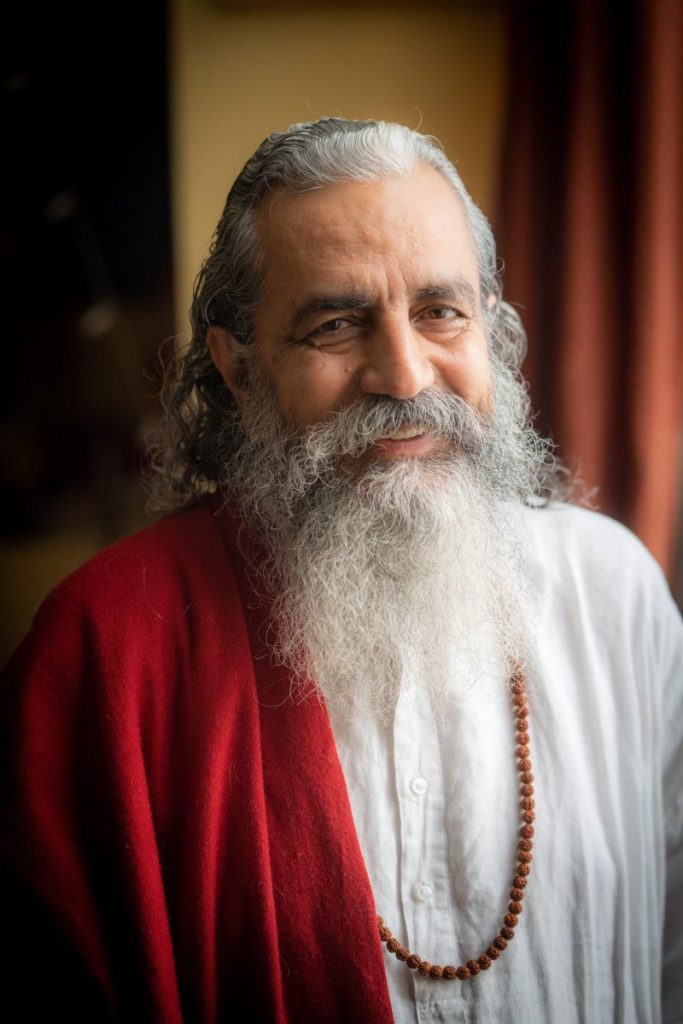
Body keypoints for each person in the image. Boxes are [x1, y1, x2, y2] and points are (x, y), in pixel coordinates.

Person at [1, 117, 681, 1024]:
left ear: (493, 331)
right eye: (336, 323)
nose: (403, 375)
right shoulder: (105, 644)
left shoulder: (618, 594)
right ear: (237, 368)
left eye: (441, 311)